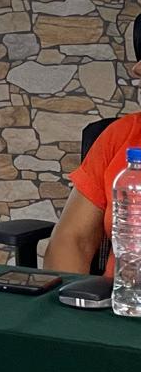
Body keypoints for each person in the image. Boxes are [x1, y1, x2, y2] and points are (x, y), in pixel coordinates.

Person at [45, 17, 141, 275]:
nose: (136, 69)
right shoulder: (121, 135)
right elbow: (72, 240)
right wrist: (71, 297)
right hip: (122, 297)